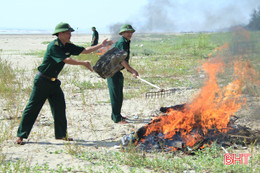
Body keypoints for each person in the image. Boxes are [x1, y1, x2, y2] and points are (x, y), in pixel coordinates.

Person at [16, 22, 113, 144]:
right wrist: (83, 63)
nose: (70, 35)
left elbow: (85, 50)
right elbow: (66, 60)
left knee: (60, 107)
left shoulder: (67, 45)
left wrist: (101, 45)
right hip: (42, 81)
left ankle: (61, 135)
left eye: (70, 32)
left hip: (54, 82)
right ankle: (20, 135)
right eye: (67, 33)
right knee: (32, 108)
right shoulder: (54, 46)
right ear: (60, 33)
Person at [107, 24, 139, 124]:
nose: (130, 34)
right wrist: (133, 70)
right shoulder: (122, 43)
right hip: (112, 71)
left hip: (117, 71)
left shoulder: (126, 42)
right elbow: (122, 60)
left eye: (131, 32)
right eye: (127, 32)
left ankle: (116, 115)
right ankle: (117, 119)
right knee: (116, 95)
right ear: (122, 33)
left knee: (118, 95)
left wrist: (130, 71)